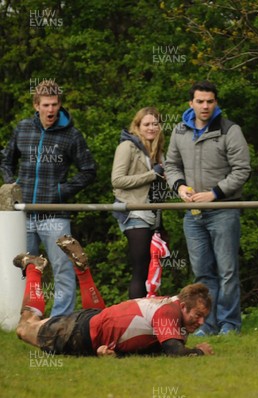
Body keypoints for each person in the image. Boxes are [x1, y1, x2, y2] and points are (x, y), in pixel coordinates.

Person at [14, 235, 214, 357]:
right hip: (80, 333)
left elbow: (151, 347)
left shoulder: (172, 305)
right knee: (25, 328)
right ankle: (34, 268)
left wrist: (114, 353)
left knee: (99, 317)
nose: (201, 321)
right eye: (197, 314)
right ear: (184, 306)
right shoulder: (169, 312)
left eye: (204, 316)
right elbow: (174, 352)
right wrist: (199, 352)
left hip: (94, 323)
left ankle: (81, 273)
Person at [0, 80, 96, 317]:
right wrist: (12, 183)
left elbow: (89, 170)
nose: (51, 110)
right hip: (22, 214)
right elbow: (6, 160)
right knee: (23, 268)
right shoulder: (22, 128)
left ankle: (59, 320)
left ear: (59, 104)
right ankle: (21, 318)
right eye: (46, 105)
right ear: (36, 106)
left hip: (54, 215)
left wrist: (62, 191)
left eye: (54, 104)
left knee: (63, 268)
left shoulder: (72, 135)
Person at [165, 81, 251, 336]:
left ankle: (229, 324)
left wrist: (214, 193)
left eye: (209, 101)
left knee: (227, 272)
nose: (205, 106)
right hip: (192, 214)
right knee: (202, 274)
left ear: (216, 103)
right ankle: (207, 324)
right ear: (190, 103)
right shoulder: (179, 131)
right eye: (200, 101)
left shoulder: (230, 129)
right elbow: (171, 165)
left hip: (224, 210)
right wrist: (179, 187)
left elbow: (242, 169)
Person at [112, 107, 169, 299]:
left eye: (155, 124)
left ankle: (149, 315)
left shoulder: (157, 150)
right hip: (133, 212)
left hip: (154, 214)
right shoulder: (126, 146)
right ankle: (134, 318)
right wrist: (152, 174)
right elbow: (117, 180)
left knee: (154, 266)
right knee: (141, 268)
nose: (151, 128)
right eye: (146, 124)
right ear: (137, 126)